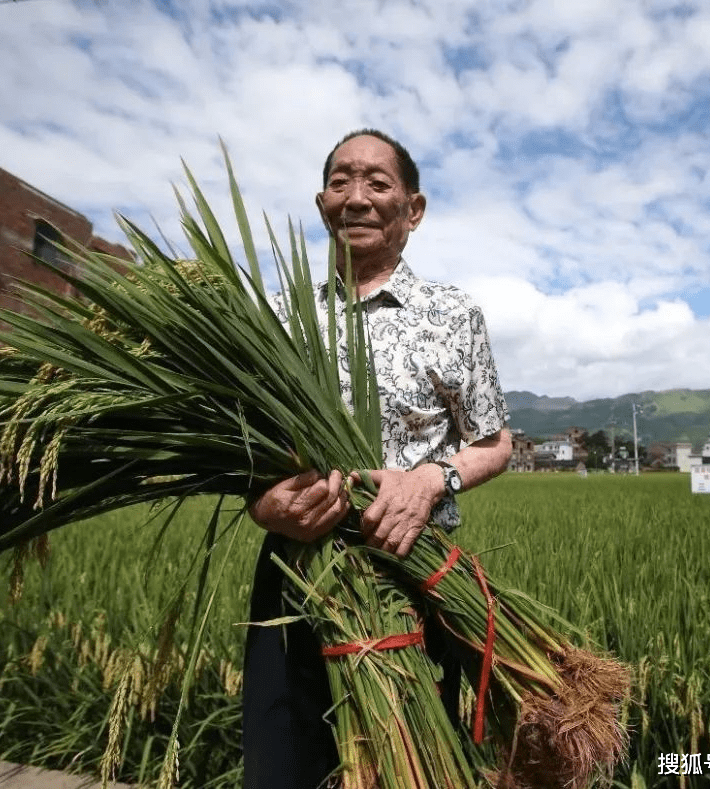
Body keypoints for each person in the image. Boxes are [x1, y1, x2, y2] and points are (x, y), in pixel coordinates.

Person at [241, 129, 512, 789]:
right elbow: (245, 450)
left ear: (412, 210)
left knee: (409, 767)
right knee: (284, 767)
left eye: (377, 182)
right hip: (297, 574)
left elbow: (493, 441)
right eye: (340, 181)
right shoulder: (280, 317)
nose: (355, 198)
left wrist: (431, 478)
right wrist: (263, 502)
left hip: (413, 575)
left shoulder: (452, 314)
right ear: (321, 200)